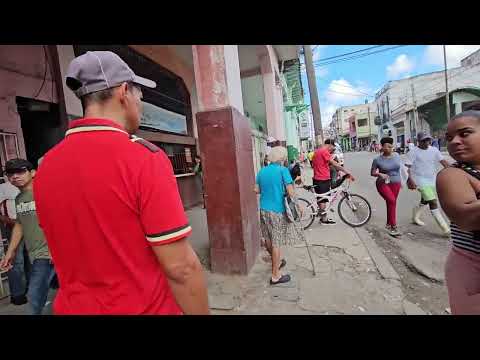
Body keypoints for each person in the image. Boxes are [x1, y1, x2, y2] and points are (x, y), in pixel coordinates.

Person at [33, 51, 209, 315]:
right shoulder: (143, 159)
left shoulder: (46, 166)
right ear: (124, 92)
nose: (140, 102)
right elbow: (180, 268)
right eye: (140, 94)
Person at [436, 110, 480, 314]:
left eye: (464, 134)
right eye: (449, 138)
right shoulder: (452, 175)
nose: (454, 142)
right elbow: (467, 218)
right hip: (473, 267)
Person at [0, 159, 55, 315]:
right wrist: (10, 252)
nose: (15, 176)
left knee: (34, 298)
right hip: (37, 254)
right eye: (11, 174)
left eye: (20, 172)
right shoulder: (19, 199)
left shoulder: (46, 192)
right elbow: (20, 225)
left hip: (49, 254)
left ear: (33, 173)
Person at [255, 146, 302, 285]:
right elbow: (291, 192)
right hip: (276, 210)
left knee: (268, 238)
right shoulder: (283, 170)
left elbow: (255, 189)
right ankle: (275, 275)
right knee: (276, 242)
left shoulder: (262, 171)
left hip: (263, 209)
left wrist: (269, 189)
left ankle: (278, 262)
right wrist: (298, 206)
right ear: (282, 158)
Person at [405, 132, 450, 235]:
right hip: (419, 180)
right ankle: (445, 229)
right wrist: (409, 180)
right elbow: (406, 168)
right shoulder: (413, 152)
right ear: (418, 141)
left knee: (425, 200)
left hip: (431, 179)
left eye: (428, 140)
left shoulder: (434, 150)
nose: (427, 142)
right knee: (433, 202)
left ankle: (415, 217)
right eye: (424, 140)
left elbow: (444, 162)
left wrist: (454, 171)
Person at [0, 178, 31, 305]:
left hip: (30, 226)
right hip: (13, 226)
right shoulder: (3, 187)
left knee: (30, 259)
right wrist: (10, 222)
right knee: (16, 261)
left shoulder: (28, 186)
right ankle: (17, 294)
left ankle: (30, 289)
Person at [312, 139, 354, 225]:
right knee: (323, 201)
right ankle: (323, 218)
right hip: (322, 179)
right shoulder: (324, 151)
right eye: (333, 148)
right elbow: (334, 163)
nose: (332, 150)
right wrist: (346, 172)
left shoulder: (317, 151)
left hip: (317, 178)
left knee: (321, 199)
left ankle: (324, 218)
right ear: (330, 145)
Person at [371, 137, 403, 237]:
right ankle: (393, 226)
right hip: (383, 183)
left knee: (391, 203)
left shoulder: (397, 155)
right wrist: (380, 174)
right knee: (392, 201)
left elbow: (400, 169)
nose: (390, 148)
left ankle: (389, 224)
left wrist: (403, 181)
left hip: (396, 183)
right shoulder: (377, 159)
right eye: (387, 146)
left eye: (391, 146)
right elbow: (372, 172)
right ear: (382, 147)